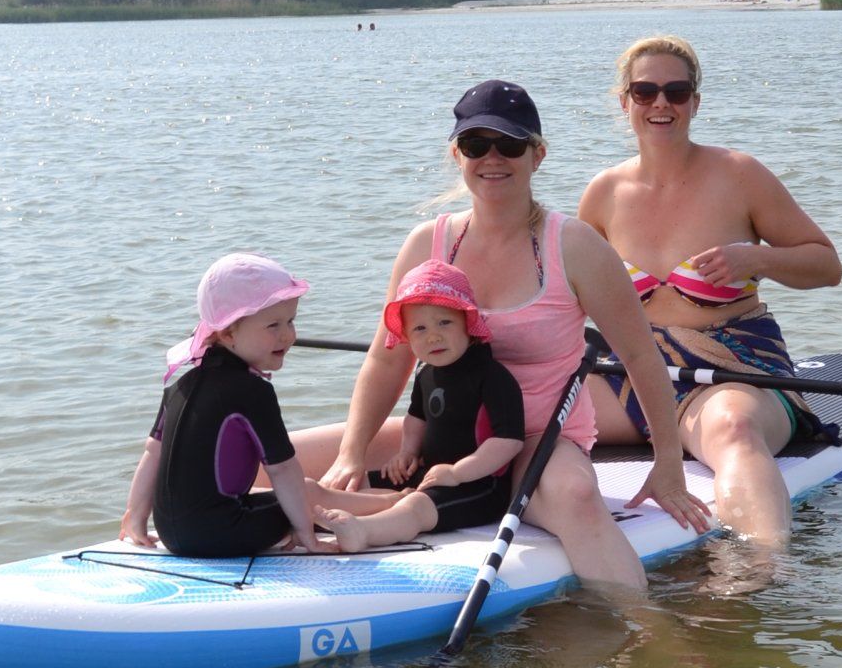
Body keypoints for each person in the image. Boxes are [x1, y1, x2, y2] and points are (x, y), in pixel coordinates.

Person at [297, 79, 710, 591]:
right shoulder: (427, 244)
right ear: (457, 154)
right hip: (446, 430)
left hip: (539, 437)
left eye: (510, 145)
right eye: (476, 145)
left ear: (537, 155)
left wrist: (668, 464)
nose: (493, 158)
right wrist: (352, 453)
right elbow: (387, 360)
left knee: (577, 499)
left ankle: (643, 627)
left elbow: (641, 358)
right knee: (277, 462)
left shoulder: (576, 246)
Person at [577, 35, 842, 543]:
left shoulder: (740, 175)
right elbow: (565, 294)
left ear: (695, 102)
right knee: (524, 413)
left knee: (733, 429)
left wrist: (757, 258)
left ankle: (760, 568)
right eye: (645, 91)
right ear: (625, 102)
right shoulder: (604, 193)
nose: (660, 103)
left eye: (676, 92)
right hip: (635, 373)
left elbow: (827, 266)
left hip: (730, 370)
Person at [120, 252, 338, 558]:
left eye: (290, 321)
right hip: (222, 535)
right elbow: (282, 469)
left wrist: (135, 516)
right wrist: (306, 533)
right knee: (308, 491)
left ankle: (388, 505)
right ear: (227, 333)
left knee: (295, 493)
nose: (287, 335)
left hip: (170, 533)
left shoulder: (179, 386)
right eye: (273, 325)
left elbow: (152, 454)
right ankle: (387, 511)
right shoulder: (253, 391)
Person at [324, 261, 526, 552]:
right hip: (429, 474)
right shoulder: (426, 373)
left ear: (467, 322)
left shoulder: (492, 376)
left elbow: (509, 441)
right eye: (420, 328)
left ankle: (363, 531)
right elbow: (416, 418)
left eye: (444, 323)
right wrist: (407, 452)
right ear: (407, 336)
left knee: (416, 505)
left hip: (479, 486)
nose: (433, 336)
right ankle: (314, 512)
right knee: (359, 484)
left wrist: (457, 473)